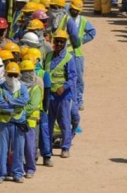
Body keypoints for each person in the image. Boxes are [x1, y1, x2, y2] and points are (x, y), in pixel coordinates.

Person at [0, 61, 29, 184]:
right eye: (10, 75)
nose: (12, 78)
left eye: (14, 75)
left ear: (18, 75)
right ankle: (0, 174)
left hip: (18, 123)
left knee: (18, 149)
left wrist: (10, 101)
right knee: (1, 150)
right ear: (6, 74)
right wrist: (14, 105)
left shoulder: (22, 87)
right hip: (3, 123)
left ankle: (17, 173)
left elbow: (24, 101)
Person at [44, 31, 78, 159]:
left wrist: (63, 87)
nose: (59, 43)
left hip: (63, 96)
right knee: (48, 124)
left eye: (61, 42)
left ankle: (65, 147)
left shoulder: (69, 58)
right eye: (57, 41)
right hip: (49, 96)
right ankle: (48, 149)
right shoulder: (48, 56)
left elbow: (73, 77)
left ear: (65, 43)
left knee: (64, 123)